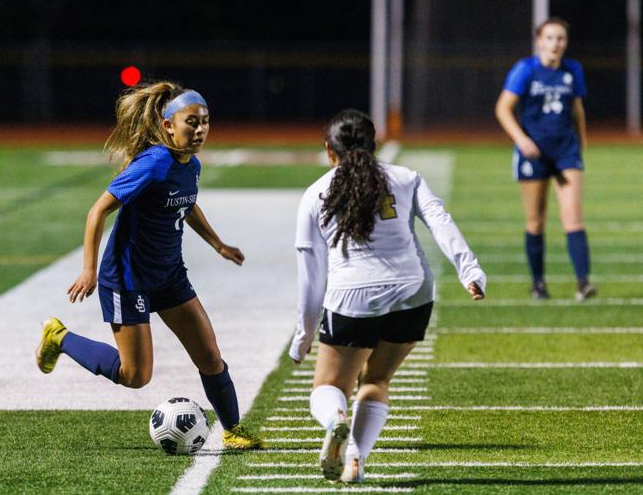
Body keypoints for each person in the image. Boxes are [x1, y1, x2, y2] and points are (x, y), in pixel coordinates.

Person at [35, 81, 264, 450]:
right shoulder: (154, 163)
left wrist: (218, 244)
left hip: (169, 275)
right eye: (192, 121)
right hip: (128, 279)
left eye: (205, 121)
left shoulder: (191, 165)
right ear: (169, 124)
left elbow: (185, 203)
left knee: (210, 356)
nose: (200, 129)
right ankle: (60, 338)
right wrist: (88, 269)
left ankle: (233, 429)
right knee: (135, 375)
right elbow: (97, 211)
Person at [289, 109, 486, 482]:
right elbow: (440, 220)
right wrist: (469, 269)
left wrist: (303, 336)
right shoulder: (405, 178)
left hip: (353, 297)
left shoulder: (316, 193)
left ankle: (336, 420)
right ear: (374, 145)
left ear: (329, 151)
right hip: (413, 294)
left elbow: (311, 274)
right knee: (376, 380)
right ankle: (355, 460)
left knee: (329, 387)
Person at [495, 17, 596, 301]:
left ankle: (583, 283)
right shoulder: (525, 70)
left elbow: (577, 109)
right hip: (534, 154)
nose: (555, 44)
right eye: (550, 38)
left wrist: (581, 141)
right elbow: (503, 108)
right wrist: (522, 140)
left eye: (561, 38)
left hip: (565, 150)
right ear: (539, 41)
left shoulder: (572, 69)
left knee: (573, 217)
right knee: (535, 220)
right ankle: (539, 284)